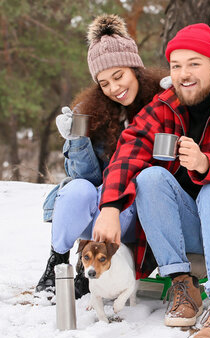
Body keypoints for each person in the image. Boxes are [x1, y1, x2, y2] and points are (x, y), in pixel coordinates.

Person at [92, 23, 210, 338]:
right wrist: (110, 207)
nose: (184, 74)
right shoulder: (164, 106)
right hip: (190, 228)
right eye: (176, 66)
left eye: (194, 64)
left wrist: (208, 165)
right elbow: (128, 151)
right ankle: (183, 285)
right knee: (149, 177)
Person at [36, 14, 167, 298]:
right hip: (99, 208)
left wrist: (178, 101)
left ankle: (92, 267)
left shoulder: (161, 104)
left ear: (135, 69)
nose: (114, 88)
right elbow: (87, 177)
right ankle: (57, 262)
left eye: (119, 76)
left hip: (136, 213)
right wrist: (77, 141)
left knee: (132, 191)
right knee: (77, 189)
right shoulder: (95, 112)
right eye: (104, 83)